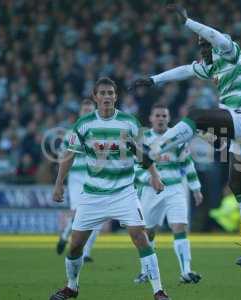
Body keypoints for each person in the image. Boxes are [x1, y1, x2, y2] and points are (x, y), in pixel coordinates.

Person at [132, 3, 241, 266]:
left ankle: (154, 150)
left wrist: (189, 22)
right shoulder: (211, 68)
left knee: (197, 116)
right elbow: (185, 70)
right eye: (202, 47)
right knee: (237, 184)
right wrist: (154, 79)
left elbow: (217, 36)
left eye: (206, 45)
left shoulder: (230, 53)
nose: (204, 49)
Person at [49, 77, 170, 300]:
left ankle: (159, 291)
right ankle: (71, 287)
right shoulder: (84, 124)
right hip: (93, 194)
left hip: (124, 192)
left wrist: (155, 176)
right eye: (102, 93)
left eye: (110, 93)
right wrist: (59, 184)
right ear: (95, 97)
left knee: (140, 237)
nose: (106, 97)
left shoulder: (129, 122)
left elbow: (142, 153)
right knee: (75, 245)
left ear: (116, 97)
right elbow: (68, 156)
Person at [134, 103, 203, 284]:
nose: (161, 119)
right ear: (151, 118)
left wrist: (196, 188)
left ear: (168, 118)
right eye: (157, 115)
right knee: (147, 232)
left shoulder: (177, 137)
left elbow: (187, 163)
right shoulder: (144, 138)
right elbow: (135, 167)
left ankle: (186, 271)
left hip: (175, 188)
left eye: (164, 116)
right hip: (151, 190)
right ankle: (145, 270)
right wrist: (148, 179)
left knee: (179, 227)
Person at [56, 98, 99, 263]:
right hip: (75, 177)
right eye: (84, 111)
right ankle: (66, 235)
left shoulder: (101, 131)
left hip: (94, 176)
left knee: (96, 214)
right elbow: (63, 156)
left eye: (90, 111)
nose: (87, 113)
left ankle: (86, 252)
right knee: (79, 212)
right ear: (80, 113)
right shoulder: (72, 133)